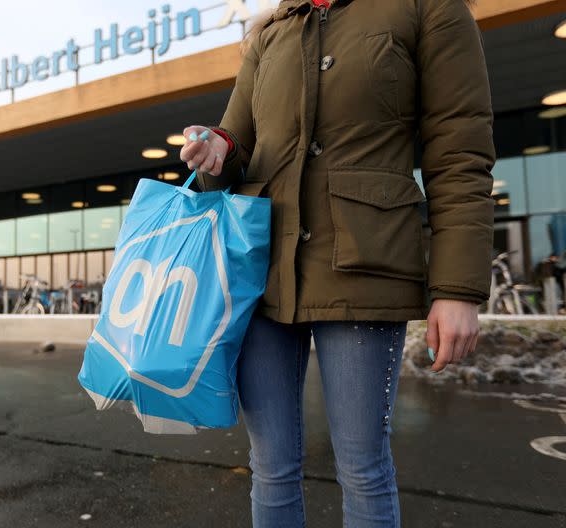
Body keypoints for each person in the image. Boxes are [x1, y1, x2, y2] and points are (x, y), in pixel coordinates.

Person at [180, 0, 494, 526]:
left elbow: (459, 153)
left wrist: (457, 288)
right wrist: (215, 150)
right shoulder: (270, 33)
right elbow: (238, 145)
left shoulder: (426, 9)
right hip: (262, 272)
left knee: (363, 469)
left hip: (365, 269)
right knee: (271, 468)